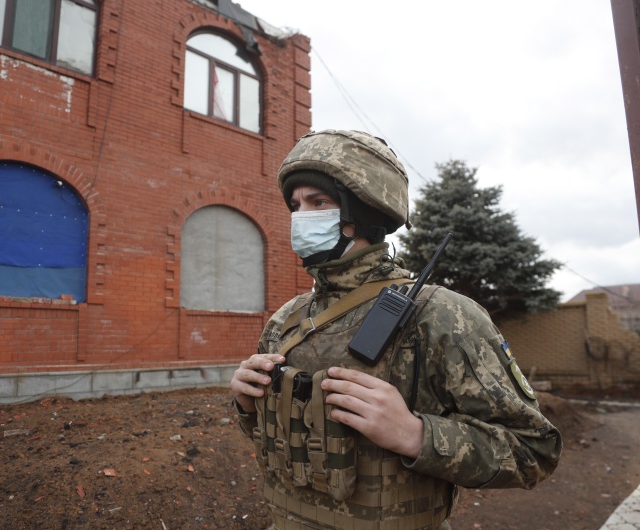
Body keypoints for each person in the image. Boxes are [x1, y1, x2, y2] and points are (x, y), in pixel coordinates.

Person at [230, 130, 561, 530]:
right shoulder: (287, 319)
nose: (301, 216)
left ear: (364, 213)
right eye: (296, 205)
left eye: (318, 202)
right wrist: (248, 405)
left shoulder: (441, 315)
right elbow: (281, 444)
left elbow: (533, 450)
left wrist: (416, 435)